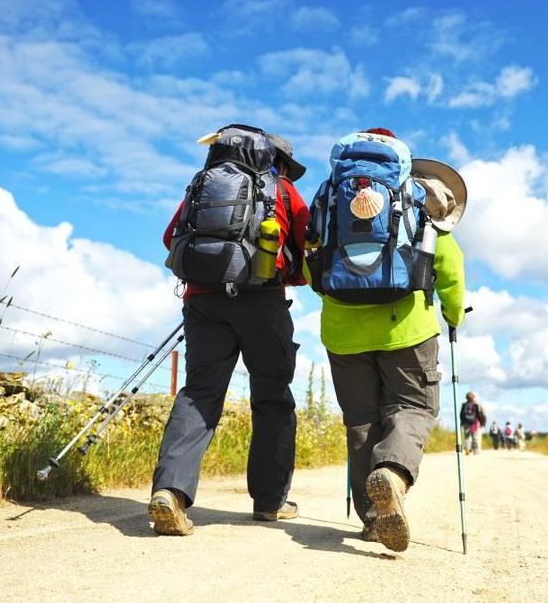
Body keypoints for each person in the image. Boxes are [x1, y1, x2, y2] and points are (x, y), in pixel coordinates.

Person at [307, 128, 466, 553]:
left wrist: (340, 297)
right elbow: (448, 267)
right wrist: (452, 317)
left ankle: (373, 518)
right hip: (408, 329)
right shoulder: (417, 200)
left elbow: (312, 270)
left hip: (342, 332)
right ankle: (393, 474)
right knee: (413, 406)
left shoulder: (330, 199)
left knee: (360, 420)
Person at [147, 126, 310, 536]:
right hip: (262, 302)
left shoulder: (203, 186)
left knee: (199, 393)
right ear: (277, 161)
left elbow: (171, 238)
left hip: (202, 301)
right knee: (273, 397)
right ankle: (271, 503)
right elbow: (306, 250)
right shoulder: (283, 192)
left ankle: (170, 492)